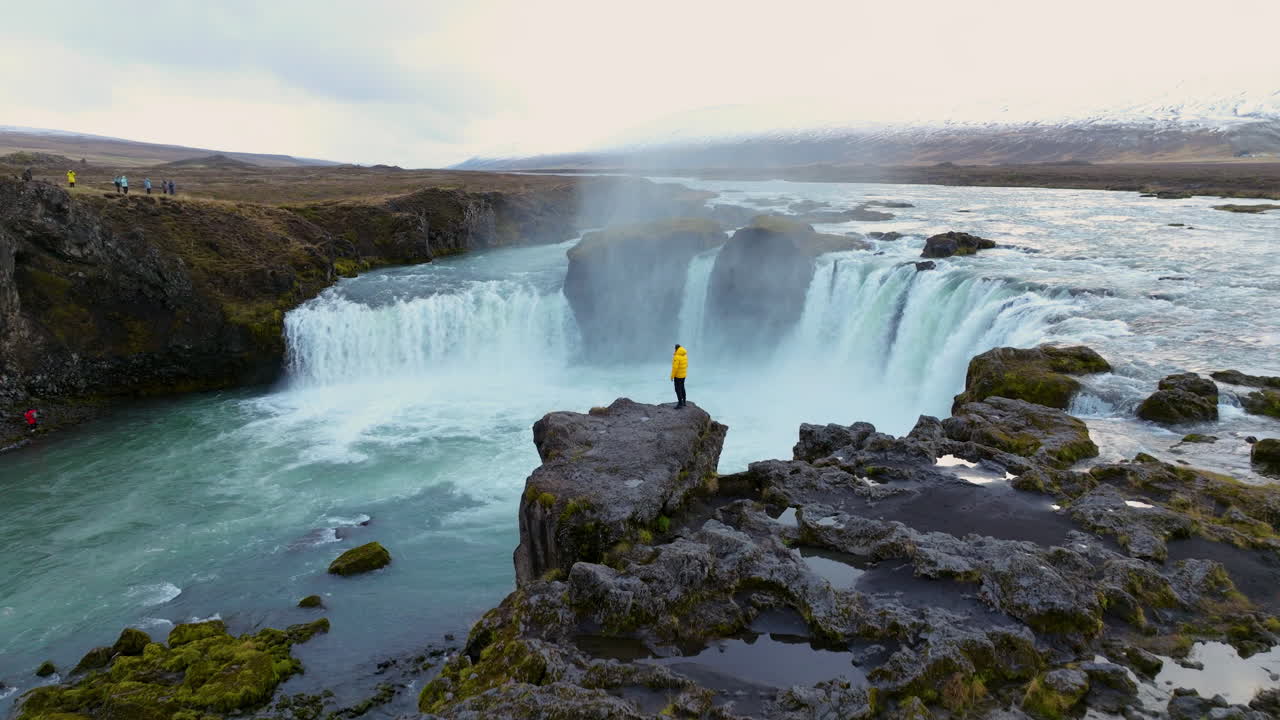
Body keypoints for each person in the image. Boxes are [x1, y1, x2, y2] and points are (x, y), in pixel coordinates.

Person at [670, 344, 688, 408]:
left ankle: (680, 403)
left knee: (677, 389)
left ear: (676, 349)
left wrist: (672, 376)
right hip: (683, 375)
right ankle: (684, 402)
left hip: (678, 376)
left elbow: (675, 368)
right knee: (682, 387)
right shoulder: (684, 355)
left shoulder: (677, 356)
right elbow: (686, 365)